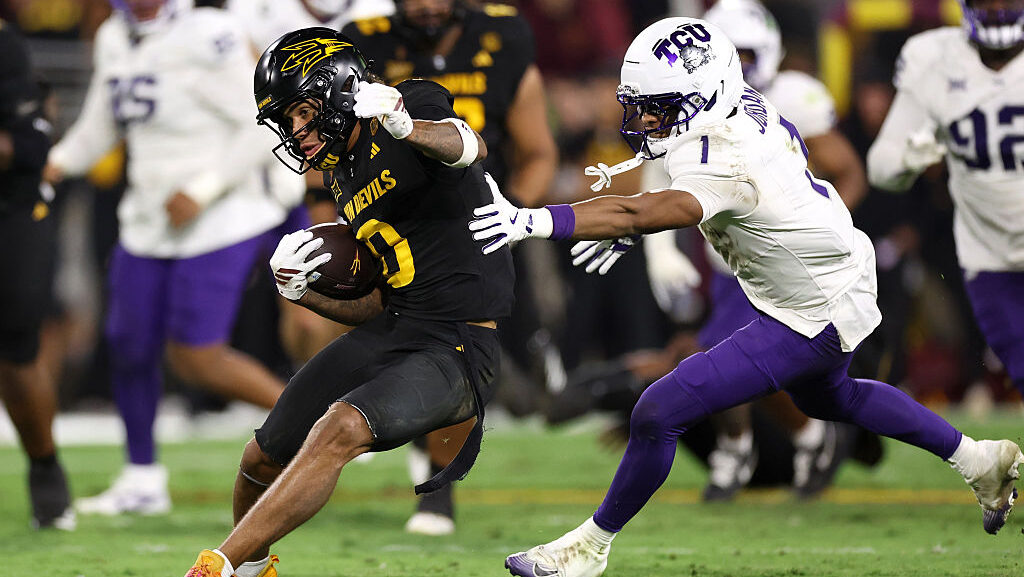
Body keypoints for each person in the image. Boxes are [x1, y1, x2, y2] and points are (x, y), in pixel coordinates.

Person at [468, 17, 1024, 577]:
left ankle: (588, 548)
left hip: (810, 305)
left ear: (703, 97)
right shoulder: (731, 106)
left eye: (658, 105)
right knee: (830, 399)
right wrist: (625, 229)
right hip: (825, 274)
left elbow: (649, 206)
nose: (642, 119)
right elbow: (661, 188)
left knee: (660, 410)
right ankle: (979, 459)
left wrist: (536, 220)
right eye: (638, 103)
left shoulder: (728, 156)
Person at [182, 27, 514, 577]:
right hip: (401, 327)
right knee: (260, 456)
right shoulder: (341, 168)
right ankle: (251, 570)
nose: (296, 132)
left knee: (341, 426)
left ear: (337, 88)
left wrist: (406, 127)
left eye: (301, 112)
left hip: (459, 342)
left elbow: (469, 147)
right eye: (285, 121)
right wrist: (305, 292)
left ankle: (216, 566)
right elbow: (377, 302)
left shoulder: (411, 104)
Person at [43, 0, 290, 516]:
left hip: (220, 214)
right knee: (128, 343)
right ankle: (141, 478)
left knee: (198, 356)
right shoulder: (116, 34)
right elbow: (100, 126)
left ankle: (315, 424)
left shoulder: (211, 31)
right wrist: (53, 164)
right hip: (149, 217)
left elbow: (262, 124)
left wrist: (203, 188)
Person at [343, 0, 559, 535]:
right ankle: (431, 482)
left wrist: (513, 218)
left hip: (484, 222)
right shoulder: (363, 41)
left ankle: (434, 444)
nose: (425, 6)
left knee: (524, 388)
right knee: (430, 350)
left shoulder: (503, 35)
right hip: (392, 227)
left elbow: (536, 151)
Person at [682, 0, 870, 501]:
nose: (740, 65)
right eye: (730, 54)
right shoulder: (695, 103)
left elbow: (848, 171)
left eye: (747, 53)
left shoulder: (792, 97)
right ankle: (782, 441)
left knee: (733, 358)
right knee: (728, 357)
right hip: (731, 255)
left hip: (783, 256)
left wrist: (821, 230)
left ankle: (747, 448)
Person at [867, 0, 1024, 399]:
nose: (1000, 8)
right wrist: (909, 159)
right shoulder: (935, 58)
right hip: (990, 258)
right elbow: (880, 166)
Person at [0, 19, 75, 531]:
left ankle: (45, 464)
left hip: (12, 208)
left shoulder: (4, 44)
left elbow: (26, 148)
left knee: (15, 349)